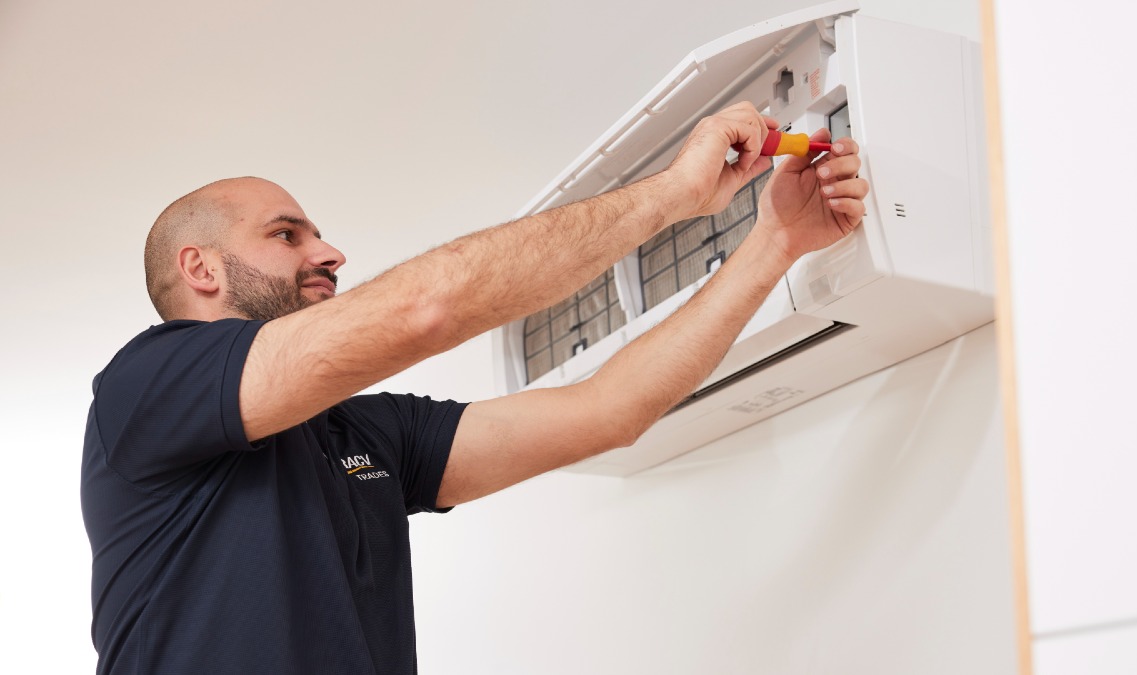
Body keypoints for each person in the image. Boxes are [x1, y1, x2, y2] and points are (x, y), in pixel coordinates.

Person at [81, 102, 868, 674]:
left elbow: (610, 409)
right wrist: (676, 193)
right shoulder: (146, 387)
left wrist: (777, 241)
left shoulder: (361, 435)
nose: (330, 251)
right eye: (287, 234)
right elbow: (427, 308)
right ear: (202, 269)